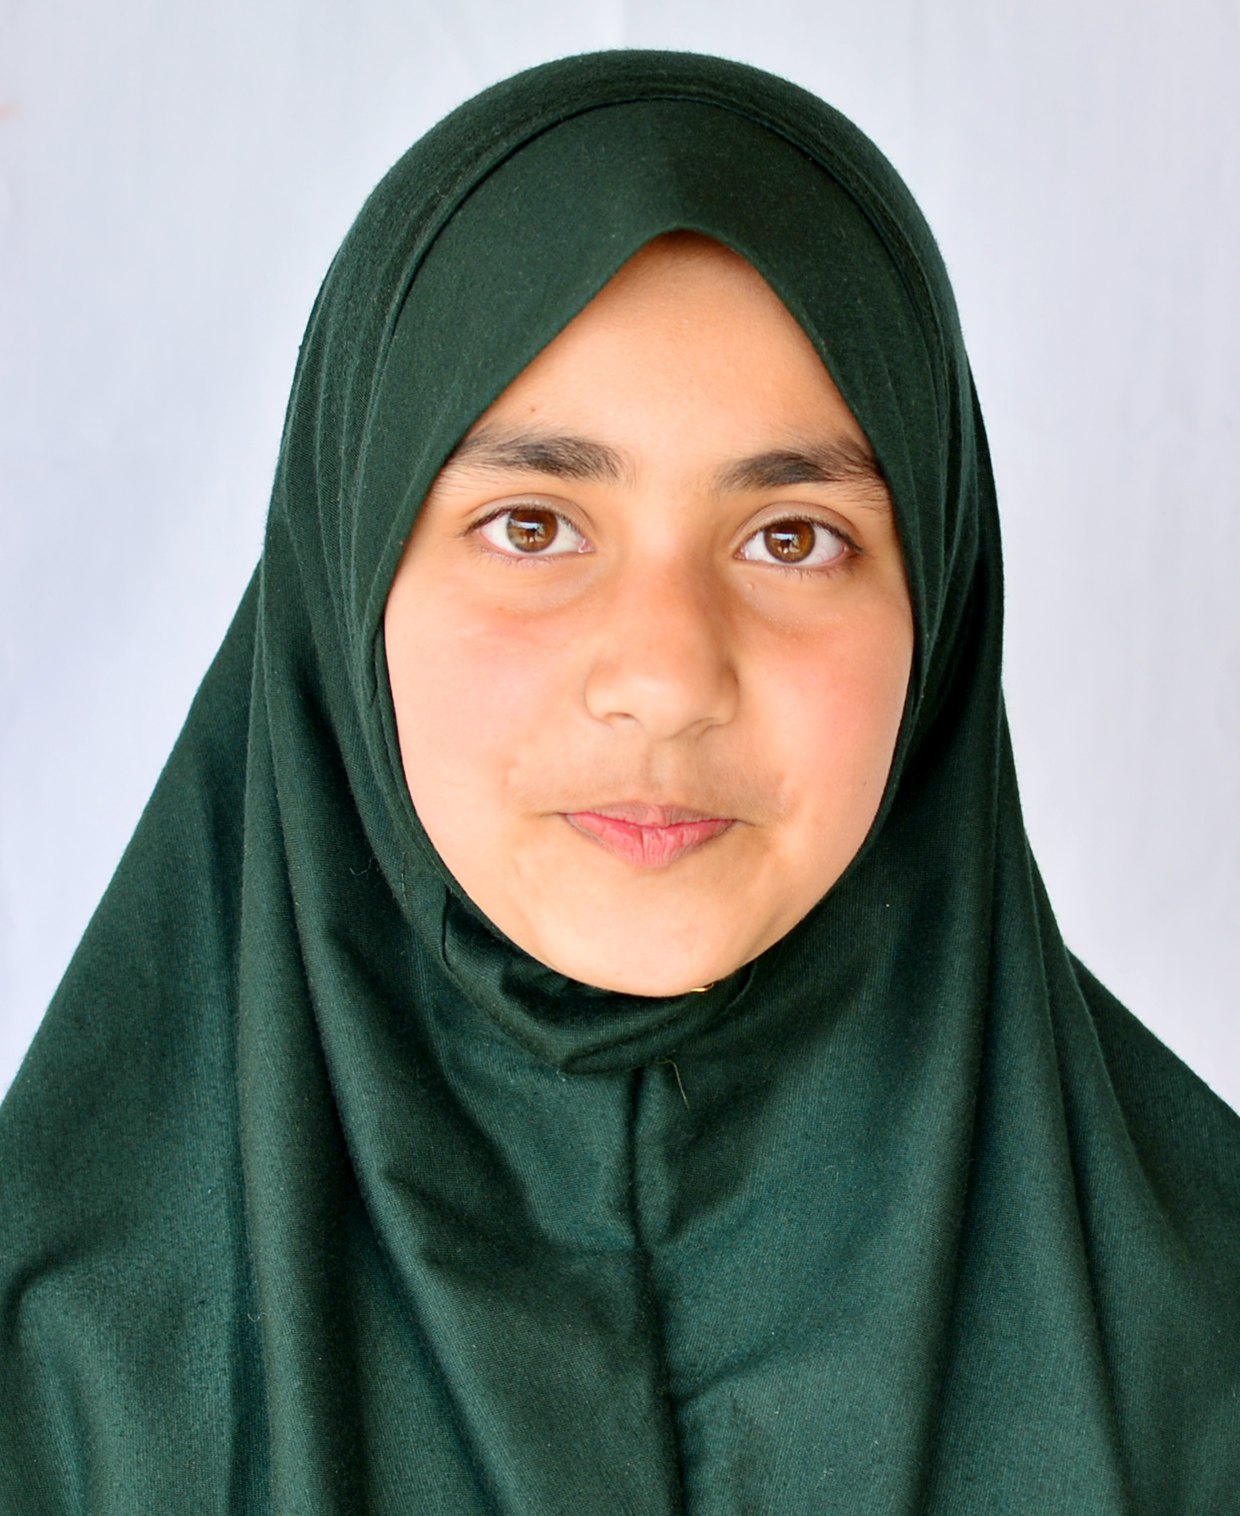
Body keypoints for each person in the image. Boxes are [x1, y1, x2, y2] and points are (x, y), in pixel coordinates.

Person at [1, 49, 1237, 1516]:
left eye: (791, 537)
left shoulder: (1203, 1348)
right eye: (532, 526)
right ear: (346, 585)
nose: (664, 674)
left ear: (940, 611)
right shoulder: (54, 1389)